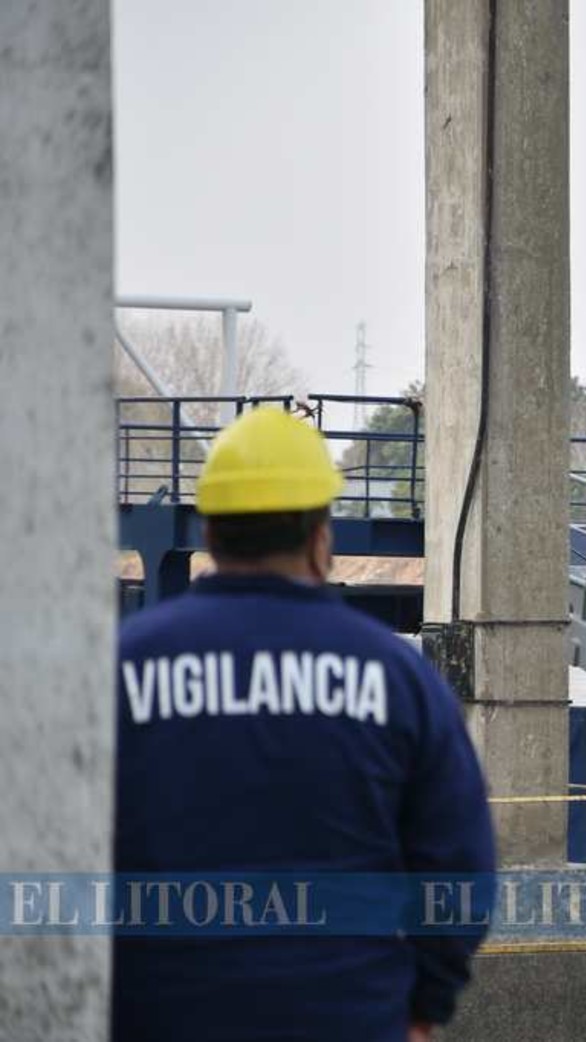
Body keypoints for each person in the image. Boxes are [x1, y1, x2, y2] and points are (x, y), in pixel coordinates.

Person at [114, 407, 496, 1042]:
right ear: (322, 535)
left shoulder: (125, 668)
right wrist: (425, 1003)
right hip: (350, 1016)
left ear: (209, 533)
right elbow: (460, 867)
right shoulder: (397, 680)